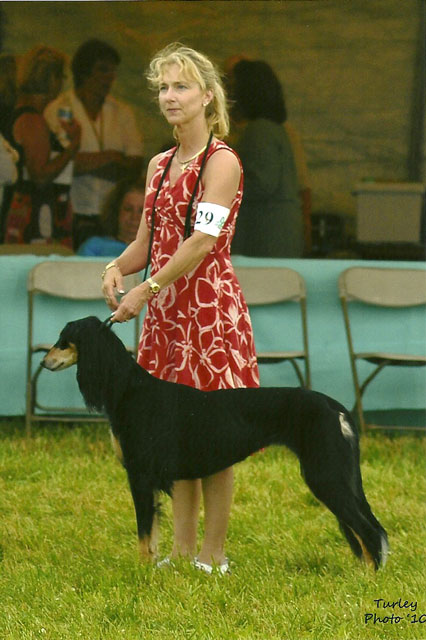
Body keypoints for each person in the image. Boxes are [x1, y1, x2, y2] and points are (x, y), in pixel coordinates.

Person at [102, 42, 259, 573]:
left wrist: (147, 288)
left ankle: (214, 554)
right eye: (164, 88)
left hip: (209, 310)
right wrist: (118, 269)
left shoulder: (224, 161)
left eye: (181, 86)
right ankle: (182, 548)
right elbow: (147, 240)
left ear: (207, 97)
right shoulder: (158, 163)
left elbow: (201, 242)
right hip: (166, 314)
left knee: (215, 432)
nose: (170, 97)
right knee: (171, 430)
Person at [44, 39, 144, 250]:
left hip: (115, 219)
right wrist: (114, 158)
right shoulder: (58, 108)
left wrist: (82, 163)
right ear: (83, 71)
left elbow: (135, 166)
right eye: (102, 70)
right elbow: (61, 164)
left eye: (112, 72)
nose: (109, 78)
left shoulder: (122, 112)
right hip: (72, 212)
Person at [3, 46, 81, 246]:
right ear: (52, 79)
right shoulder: (32, 120)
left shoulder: (21, 114)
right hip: (33, 216)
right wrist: (73, 147)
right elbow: (40, 176)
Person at [227, 59, 304, 258]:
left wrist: (221, 186)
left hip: (265, 236)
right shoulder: (275, 129)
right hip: (277, 233)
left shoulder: (259, 131)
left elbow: (262, 184)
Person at [77, 178, 145, 256]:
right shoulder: (93, 247)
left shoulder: (158, 252)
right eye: (128, 209)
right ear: (116, 211)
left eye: (141, 211)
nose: (134, 217)